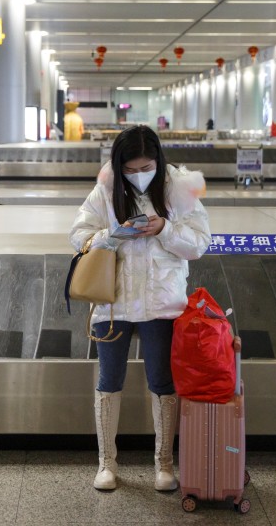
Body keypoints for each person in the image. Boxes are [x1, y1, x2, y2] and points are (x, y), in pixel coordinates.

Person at [69, 125, 211, 492]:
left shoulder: (178, 189)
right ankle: (106, 464)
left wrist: (164, 228)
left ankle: (163, 465)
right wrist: (114, 235)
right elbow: (78, 235)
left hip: (163, 303)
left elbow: (199, 243)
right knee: (108, 380)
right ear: (119, 165)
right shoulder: (106, 188)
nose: (138, 175)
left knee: (163, 383)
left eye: (145, 167)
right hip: (112, 303)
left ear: (158, 161)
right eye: (130, 169)